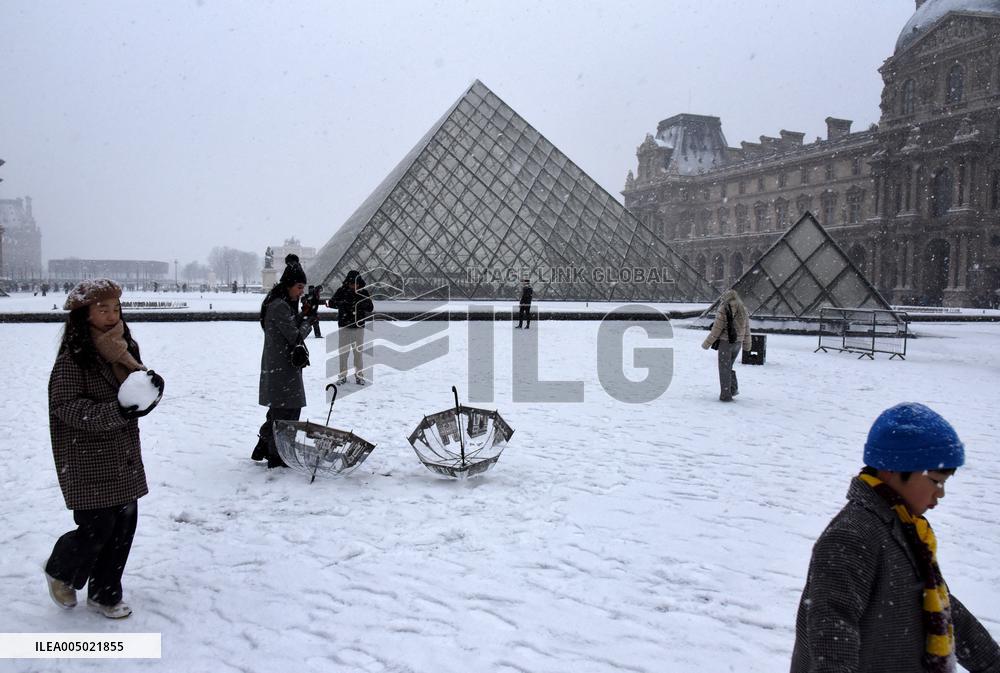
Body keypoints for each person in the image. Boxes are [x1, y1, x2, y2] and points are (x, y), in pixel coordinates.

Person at [790, 403, 1000, 673]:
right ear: (892, 471)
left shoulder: (906, 527)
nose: (940, 494)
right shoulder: (851, 536)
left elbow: (943, 607)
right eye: (935, 481)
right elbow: (832, 630)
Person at [43, 278, 164, 620]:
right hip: (87, 457)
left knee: (123, 528)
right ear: (84, 314)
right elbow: (66, 407)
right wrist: (119, 410)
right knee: (98, 528)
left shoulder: (124, 348)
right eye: (102, 309)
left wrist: (150, 394)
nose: (111, 315)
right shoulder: (73, 358)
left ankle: (104, 592)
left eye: (115, 308)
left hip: (122, 453)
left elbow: (134, 396)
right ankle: (61, 569)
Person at [252, 255, 317, 468]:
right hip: (283, 368)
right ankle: (277, 456)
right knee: (286, 413)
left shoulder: (279, 303)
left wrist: (304, 314)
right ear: (289, 285)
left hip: (280, 365)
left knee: (280, 412)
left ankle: (267, 447)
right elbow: (295, 336)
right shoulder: (280, 306)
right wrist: (308, 320)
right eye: (299, 287)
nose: (301, 292)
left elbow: (289, 328)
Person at [701, 289, 751, 401]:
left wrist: (706, 344)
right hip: (738, 343)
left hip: (726, 342)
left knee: (724, 368)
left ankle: (726, 395)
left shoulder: (724, 308)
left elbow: (716, 329)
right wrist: (747, 345)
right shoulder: (743, 308)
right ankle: (732, 389)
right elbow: (747, 329)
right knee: (729, 367)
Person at [327, 270, 373, 385]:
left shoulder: (363, 292)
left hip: (358, 327)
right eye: (352, 283)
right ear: (348, 282)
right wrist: (344, 303)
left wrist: (361, 303)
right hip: (345, 327)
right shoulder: (342, 291)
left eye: (356, 284)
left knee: (358, 353)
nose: (354, 286)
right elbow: (332, 303)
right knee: (343, 353)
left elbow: (370, 307)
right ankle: (343, 376)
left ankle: (359, 376)